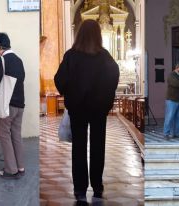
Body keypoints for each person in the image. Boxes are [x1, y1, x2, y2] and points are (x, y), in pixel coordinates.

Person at [54, 19, 119, 201]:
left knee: (79, 148)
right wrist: (105, 98)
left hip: (78, 108)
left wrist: (70, 92)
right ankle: (97, 187)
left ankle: (80, 189)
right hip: (98, 109)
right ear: (98, 35)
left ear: (79, 34)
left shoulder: (71, 55)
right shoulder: (105, 56)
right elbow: (114, 76)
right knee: (98, 146)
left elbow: (59, 79)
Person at [0, 32, 25, 179]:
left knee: (4, 136)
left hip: (6, 106)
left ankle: (11, 170)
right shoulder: (18, 60)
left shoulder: (1, 61)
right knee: (16, 135)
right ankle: (20, 167)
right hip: (20, 105)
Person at [163, 63, 179, 140]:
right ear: (177, 68)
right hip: (172, 100)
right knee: (169, 117)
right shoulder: (171, 75)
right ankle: (166, 134)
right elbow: (176, 83)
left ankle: (176, 133)